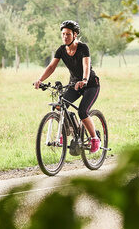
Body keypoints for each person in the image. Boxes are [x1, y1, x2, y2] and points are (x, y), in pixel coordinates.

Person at [33, 20, 101, 153]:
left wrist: (85, 80)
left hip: (91, 84)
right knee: (59, 106)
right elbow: (52, 66)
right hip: (74, 85)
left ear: (75, 35)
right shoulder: (61, 50)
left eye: (68, 34)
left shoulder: (83, 48)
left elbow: (86, 66)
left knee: (82, 111)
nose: (65, 37)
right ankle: (66, 131)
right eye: (63, 34)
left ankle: (94, 139)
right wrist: (40, 80)